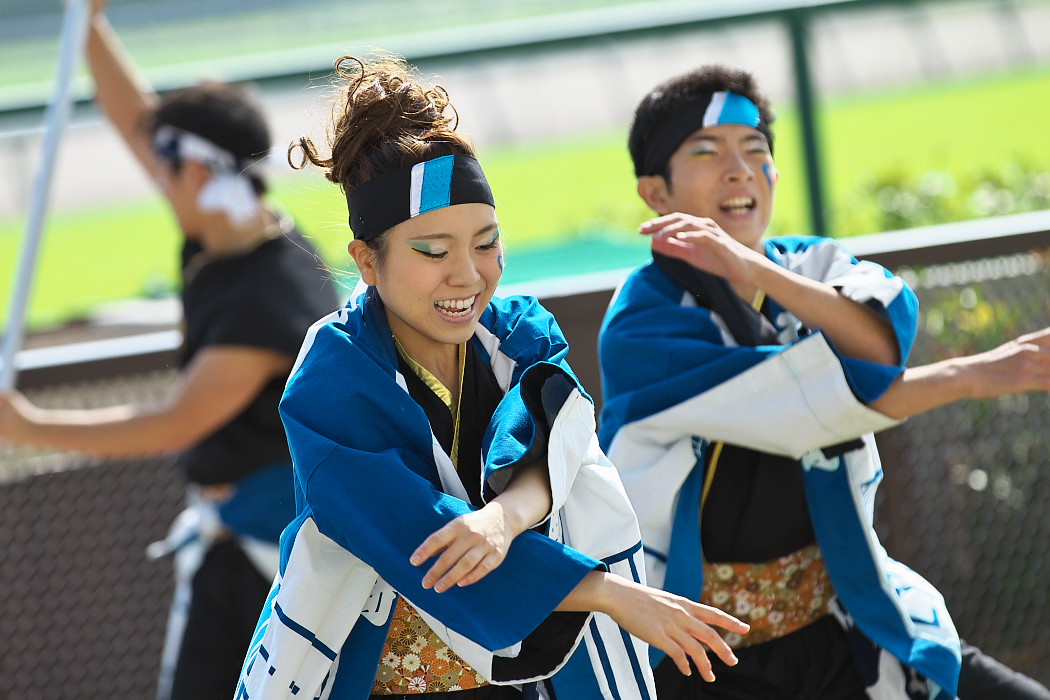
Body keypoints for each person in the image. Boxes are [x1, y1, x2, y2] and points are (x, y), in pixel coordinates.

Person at [233, 54, 750, 700]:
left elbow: (552, 449)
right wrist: (608, 593)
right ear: (367, 260)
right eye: (432, 251)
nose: (468, 275)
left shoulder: (513, 337)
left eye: (486, 243)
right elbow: (425, 540)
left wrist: (504, 519)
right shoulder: (331, 377)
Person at [597, 64, 1050, 699]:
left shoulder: (812, 265)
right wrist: (973, 375)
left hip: (841, 623)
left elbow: (880, 343)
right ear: (656, 194)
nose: (740, 169)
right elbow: (809, 409)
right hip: (703, 659)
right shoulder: (642, 325)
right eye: (707, 152)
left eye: (757, 151)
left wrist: (755, 267)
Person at [0, 3, 340, 699]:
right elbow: (139, 118)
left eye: (163, 163)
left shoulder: (267, 299)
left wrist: (28, 427)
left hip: (283, 554)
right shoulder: (226, 223)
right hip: (233, 542)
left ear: (193, 173)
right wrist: (86, 23)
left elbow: (176, 422)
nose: (151, 169)